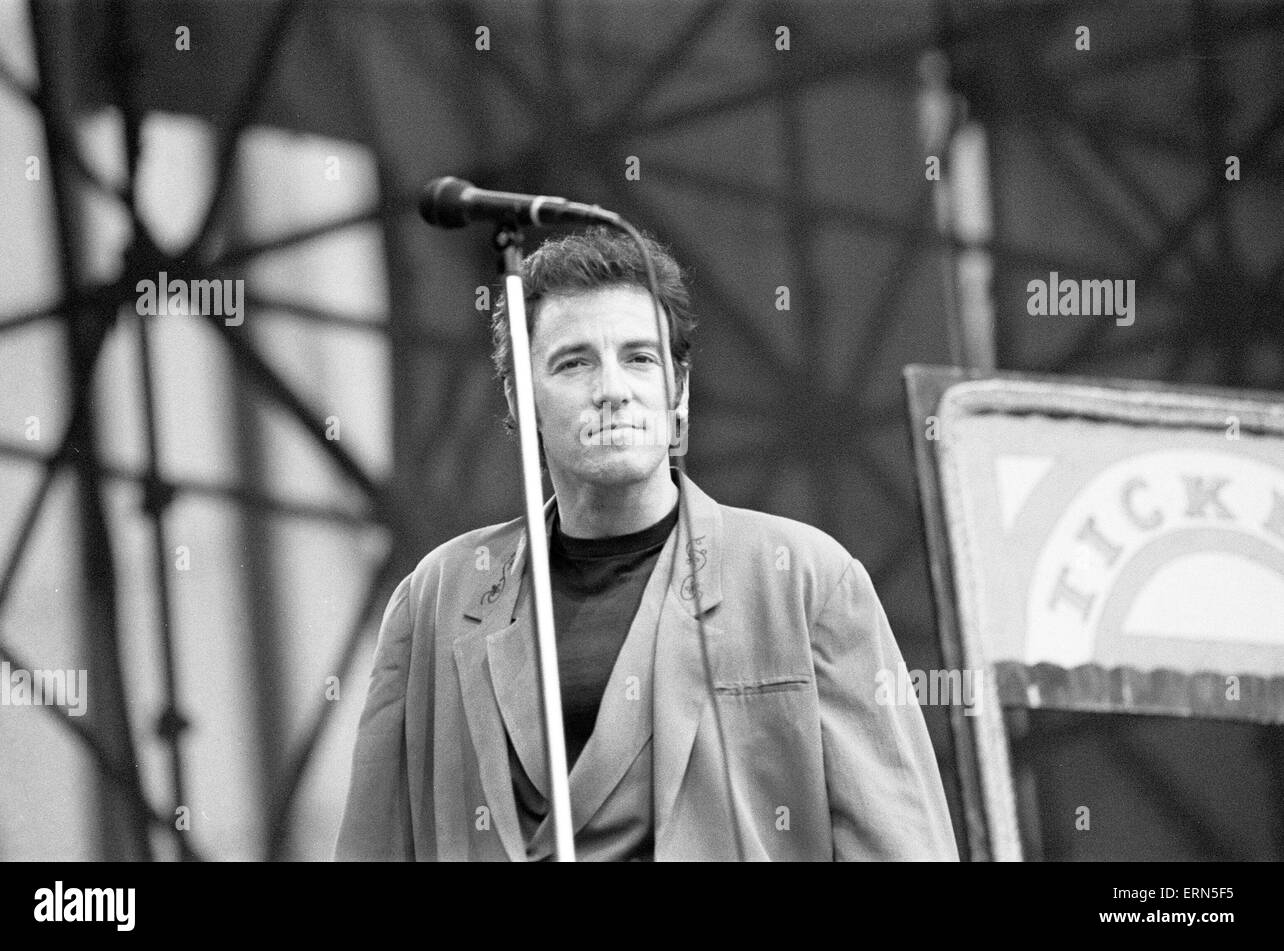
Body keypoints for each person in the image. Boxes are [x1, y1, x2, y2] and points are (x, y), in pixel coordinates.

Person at [335, 227, 959, 861]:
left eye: (640, 358)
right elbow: (370, 847)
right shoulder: (438, 596)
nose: (613, 389)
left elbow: (902, 847)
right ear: (520, 401)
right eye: (574, 362)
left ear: (679, 393)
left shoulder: (803, 579)